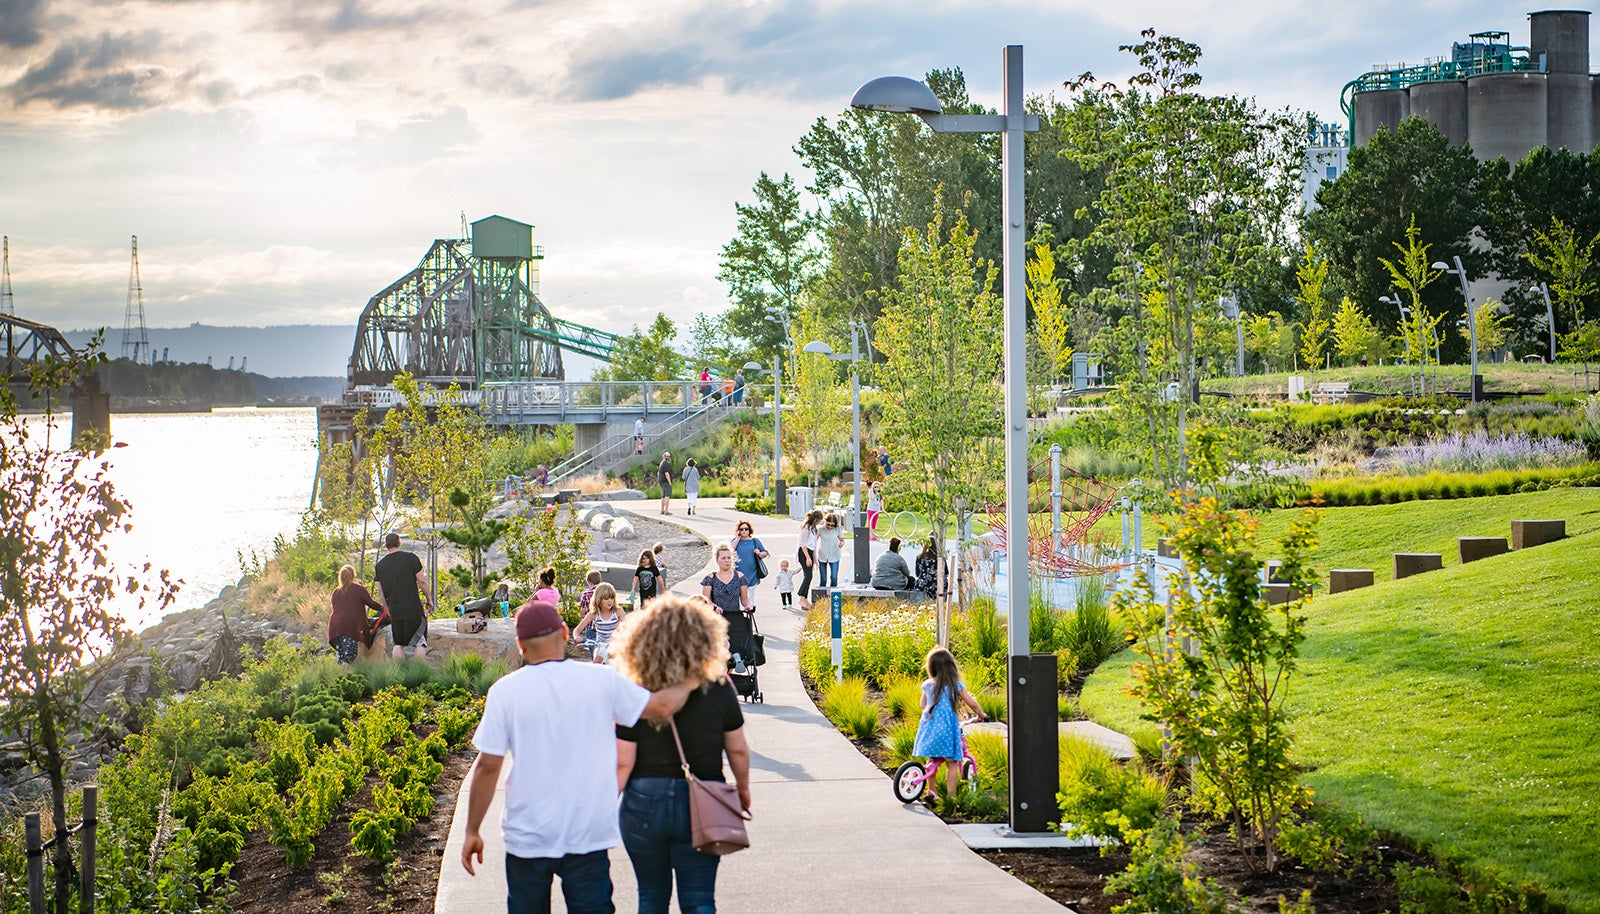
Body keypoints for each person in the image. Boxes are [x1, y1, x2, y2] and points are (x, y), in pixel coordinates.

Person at [460, 601, 700, 912]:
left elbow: (488, 768)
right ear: (563, 632)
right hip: (587, 833)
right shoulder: (601, 680)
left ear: (520, 645)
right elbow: (661, 707)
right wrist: (695, 676)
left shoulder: (505, 692)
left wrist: (472, 830)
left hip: (527, 835)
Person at [612, 597, 752, 914]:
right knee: (699, 898)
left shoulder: (635, 690)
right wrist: (742, 790)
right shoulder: (718, 687)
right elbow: (738, 749)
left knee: (650, 896)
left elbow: (624, 760)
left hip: (643, 800)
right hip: (703, 797)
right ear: (703, 638)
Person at [912, 647, 986, 803]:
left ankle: (932, 792)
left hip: (929, 729)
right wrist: (981, 714)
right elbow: (971, 702)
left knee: (931, 761)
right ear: (952, 667)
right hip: (946, 730)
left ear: (931, 667)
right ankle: (951, 796)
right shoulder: (955, 685)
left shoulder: (928, 684)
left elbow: (922, 704)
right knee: (951, 763)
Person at [374, 532, 433, 660]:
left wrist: (388, 609)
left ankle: (399, 673)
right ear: (399, 543)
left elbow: (380, 592)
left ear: (386, 546)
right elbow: (422, 581)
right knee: (420, 642)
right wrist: (429, 599)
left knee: (398, 643)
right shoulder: (410, 558)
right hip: (413, 608)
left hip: (395, 609)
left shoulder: (380, 566)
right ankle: (419, 674)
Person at [328, 563, 384, 664]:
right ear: (353, 575)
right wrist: (383, 608)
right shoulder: (359, 589)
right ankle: (349, 678)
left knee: (342, 657)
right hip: (349, 628)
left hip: (335, 628)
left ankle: (340, 678)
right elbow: (371, 603)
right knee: (350, 658)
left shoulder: (336, 592)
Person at [572, 582, 626, 663]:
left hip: (614, 645)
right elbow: (577, 630)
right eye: (606, 599)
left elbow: (628, 627)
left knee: (618, 665)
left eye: (612, 598)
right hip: (600, 645)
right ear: (599, 599)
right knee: (597, 662)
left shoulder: (618, 611)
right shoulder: (594, 614)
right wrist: (576, 637)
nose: (610, 601)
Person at [700, 543, 752, 618]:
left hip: (735, 618)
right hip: (716, 618)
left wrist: (747, 606)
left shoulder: (740, 577)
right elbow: (705, 600)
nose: (727, 560)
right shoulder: (710, 578)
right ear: (717, 560)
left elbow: (745, 599)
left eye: (729, 557)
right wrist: (714, 607)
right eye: (723, 558)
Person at [795, 509, 822, 609]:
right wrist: (808, 558)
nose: (819, 523)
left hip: (810, 552)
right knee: (808, 576)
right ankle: (802, 598)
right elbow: (803, 544)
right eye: (818, 521)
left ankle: (805, 599)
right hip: (804, 552)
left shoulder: (814, 529)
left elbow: (814, 542)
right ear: (815, 519)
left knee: (809, 576)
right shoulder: (806, 528)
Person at [729, 521, 768, 590]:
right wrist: (737, 538)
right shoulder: (736, 541)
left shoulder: (755, 541)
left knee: (750, 598)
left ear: (749, 530)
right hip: (737, 575)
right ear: (738, 531)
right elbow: (729, 550)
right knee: (738, 599)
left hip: (752, 575)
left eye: (746, 529)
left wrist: (759, 553)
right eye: (741, 529)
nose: (744, 531)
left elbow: (765, 553)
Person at [815, 512, 844, 590]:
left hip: (834, 555)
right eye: (828, 524)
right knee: (823, 579)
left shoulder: (837, 529)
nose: (830, 527)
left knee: (834, 577)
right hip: (822, 555)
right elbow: (814, 540)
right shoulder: (820, 529)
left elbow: (842, 540)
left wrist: (841, 543)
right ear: (825, 521)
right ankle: (822, 598)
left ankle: (833, 596)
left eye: (832, 525)